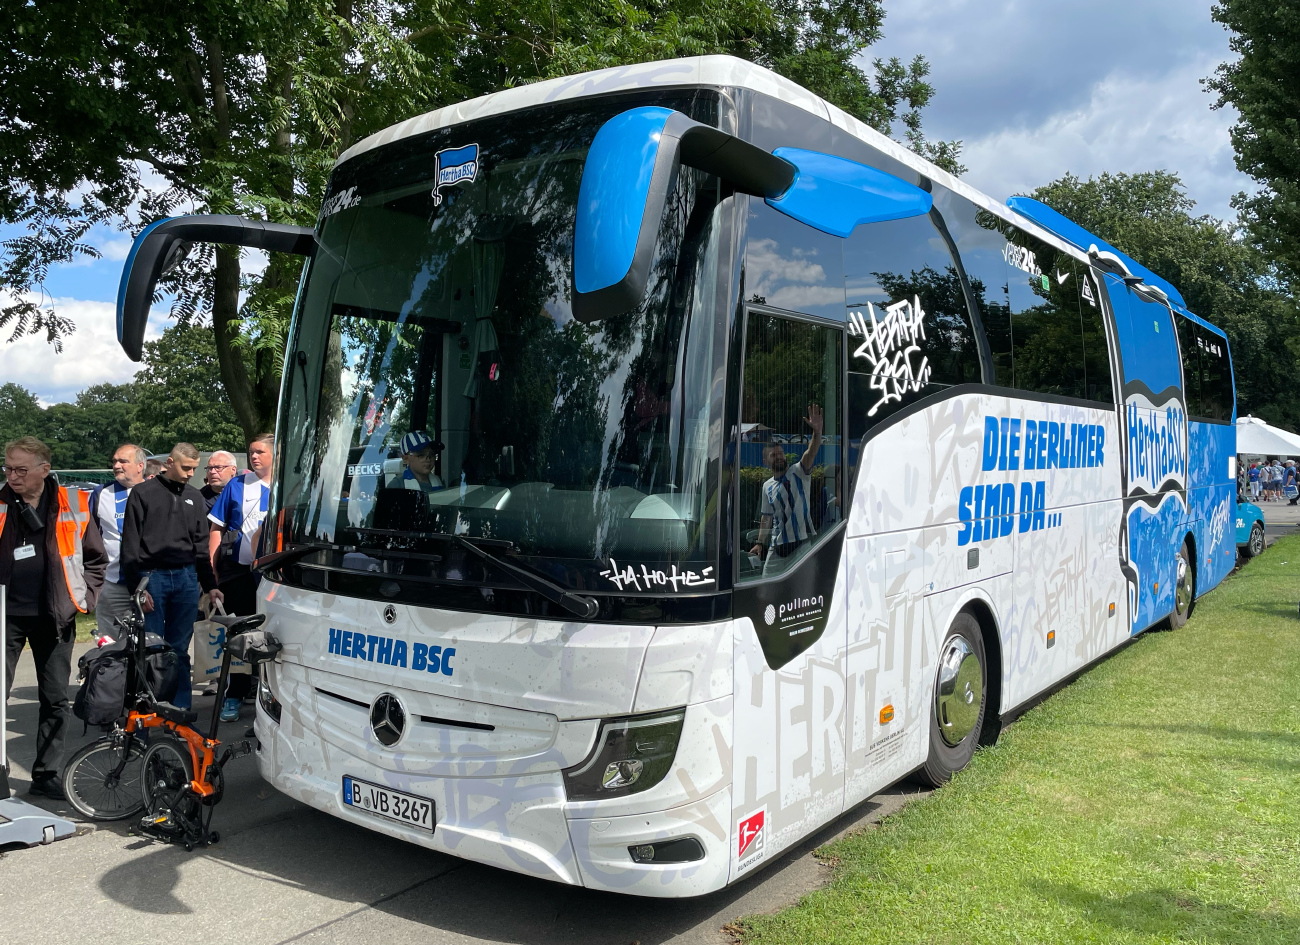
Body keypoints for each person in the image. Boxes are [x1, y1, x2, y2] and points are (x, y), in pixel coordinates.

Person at [0, 436, 106, 799]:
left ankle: (46, 776)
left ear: (44, 470)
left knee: (56, 699)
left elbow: (95, 558)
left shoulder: (73, 503)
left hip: (54, 615)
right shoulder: (0, 503)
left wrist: (87, 598)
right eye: (8, 468)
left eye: (20, 469)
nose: (12, 476)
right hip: (5, 616)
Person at [121, 443, 222, 709]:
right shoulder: (142, 493)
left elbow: (201, 547)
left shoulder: (195, 497)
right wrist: (137, 588)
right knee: (152, 650)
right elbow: (130, 545)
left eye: (194, 469)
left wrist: (210, 585)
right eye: (186, 467)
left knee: (179, 650)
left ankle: (179, 714)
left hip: (187, 578)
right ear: (169, 462)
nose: (191, 474)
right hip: (152, 577)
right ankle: (145, 714)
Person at [208, 434, 273, 722]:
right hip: (237, 569)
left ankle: (268, 695)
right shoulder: (236, 484)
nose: (254, 457)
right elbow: (216, 530)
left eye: (260, 452)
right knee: (239, 633)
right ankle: (233, 695)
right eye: (251, 452)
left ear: (275, 455)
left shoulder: (288, 486)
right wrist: (213, 573)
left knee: (272, 633)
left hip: (273, 572)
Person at [750, 405, 823, 575]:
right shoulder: (767, 486)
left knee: (802, 592)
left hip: (801, 546)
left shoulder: (798, 472)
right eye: (773, 455)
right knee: (766, 590)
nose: (779, 457)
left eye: (780, 453)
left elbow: (811, 452)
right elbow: (766, 517)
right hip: (776, 548)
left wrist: (817, 432)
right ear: (765, 461)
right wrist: (760, 543)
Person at [84, 443, 147, 638]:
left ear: (140, 466)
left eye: (123, 461)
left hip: (150, 584)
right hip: (111, 583)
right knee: (112, 643)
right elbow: (90, 535)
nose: (117, 465)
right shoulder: (101, 493)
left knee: (148, 643)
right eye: (114, 461)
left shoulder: (156, 491)